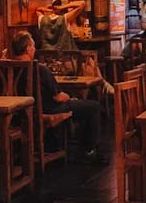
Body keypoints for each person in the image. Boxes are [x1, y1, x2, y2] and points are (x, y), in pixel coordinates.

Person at [10, 31, 103, 161]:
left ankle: (70, 145)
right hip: (49, 110)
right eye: (34, 46)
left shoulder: (6, 69)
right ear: (28, 49)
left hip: (18, 114)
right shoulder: (39, 69)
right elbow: (58, 97)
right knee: (94, 106)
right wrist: (69, 97)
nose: (35, 49)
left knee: (81, 105)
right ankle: (89, 150)